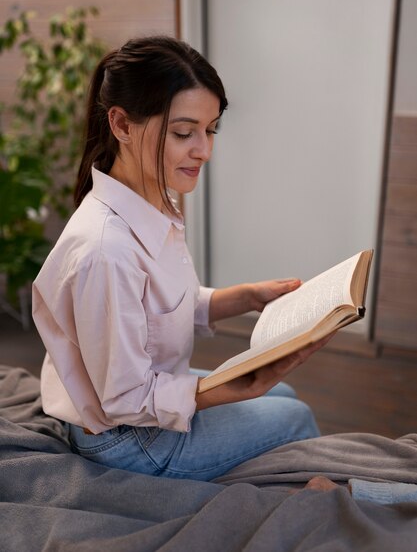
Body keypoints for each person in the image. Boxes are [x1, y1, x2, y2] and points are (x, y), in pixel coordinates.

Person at [32, 36, 330, 481]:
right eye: (182, 132)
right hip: (127, 439)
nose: (204, 151)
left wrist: (247, 296)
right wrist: (231, 388)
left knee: (282, 391)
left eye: (210, 130)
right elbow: (126, 400)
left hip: (139, 405)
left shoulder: (153, 201)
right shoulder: (105, 250)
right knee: (297, 415)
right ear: (121, 124)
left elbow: (158, 309)